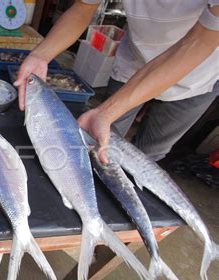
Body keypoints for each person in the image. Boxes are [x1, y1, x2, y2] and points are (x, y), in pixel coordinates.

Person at [15, 0, 219, 164]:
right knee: (101, 142)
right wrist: (41, 55)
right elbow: (83, 8)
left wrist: (107, 111)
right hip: (134, 62)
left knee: (150, 155)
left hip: (197, 76)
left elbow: (197, 43)